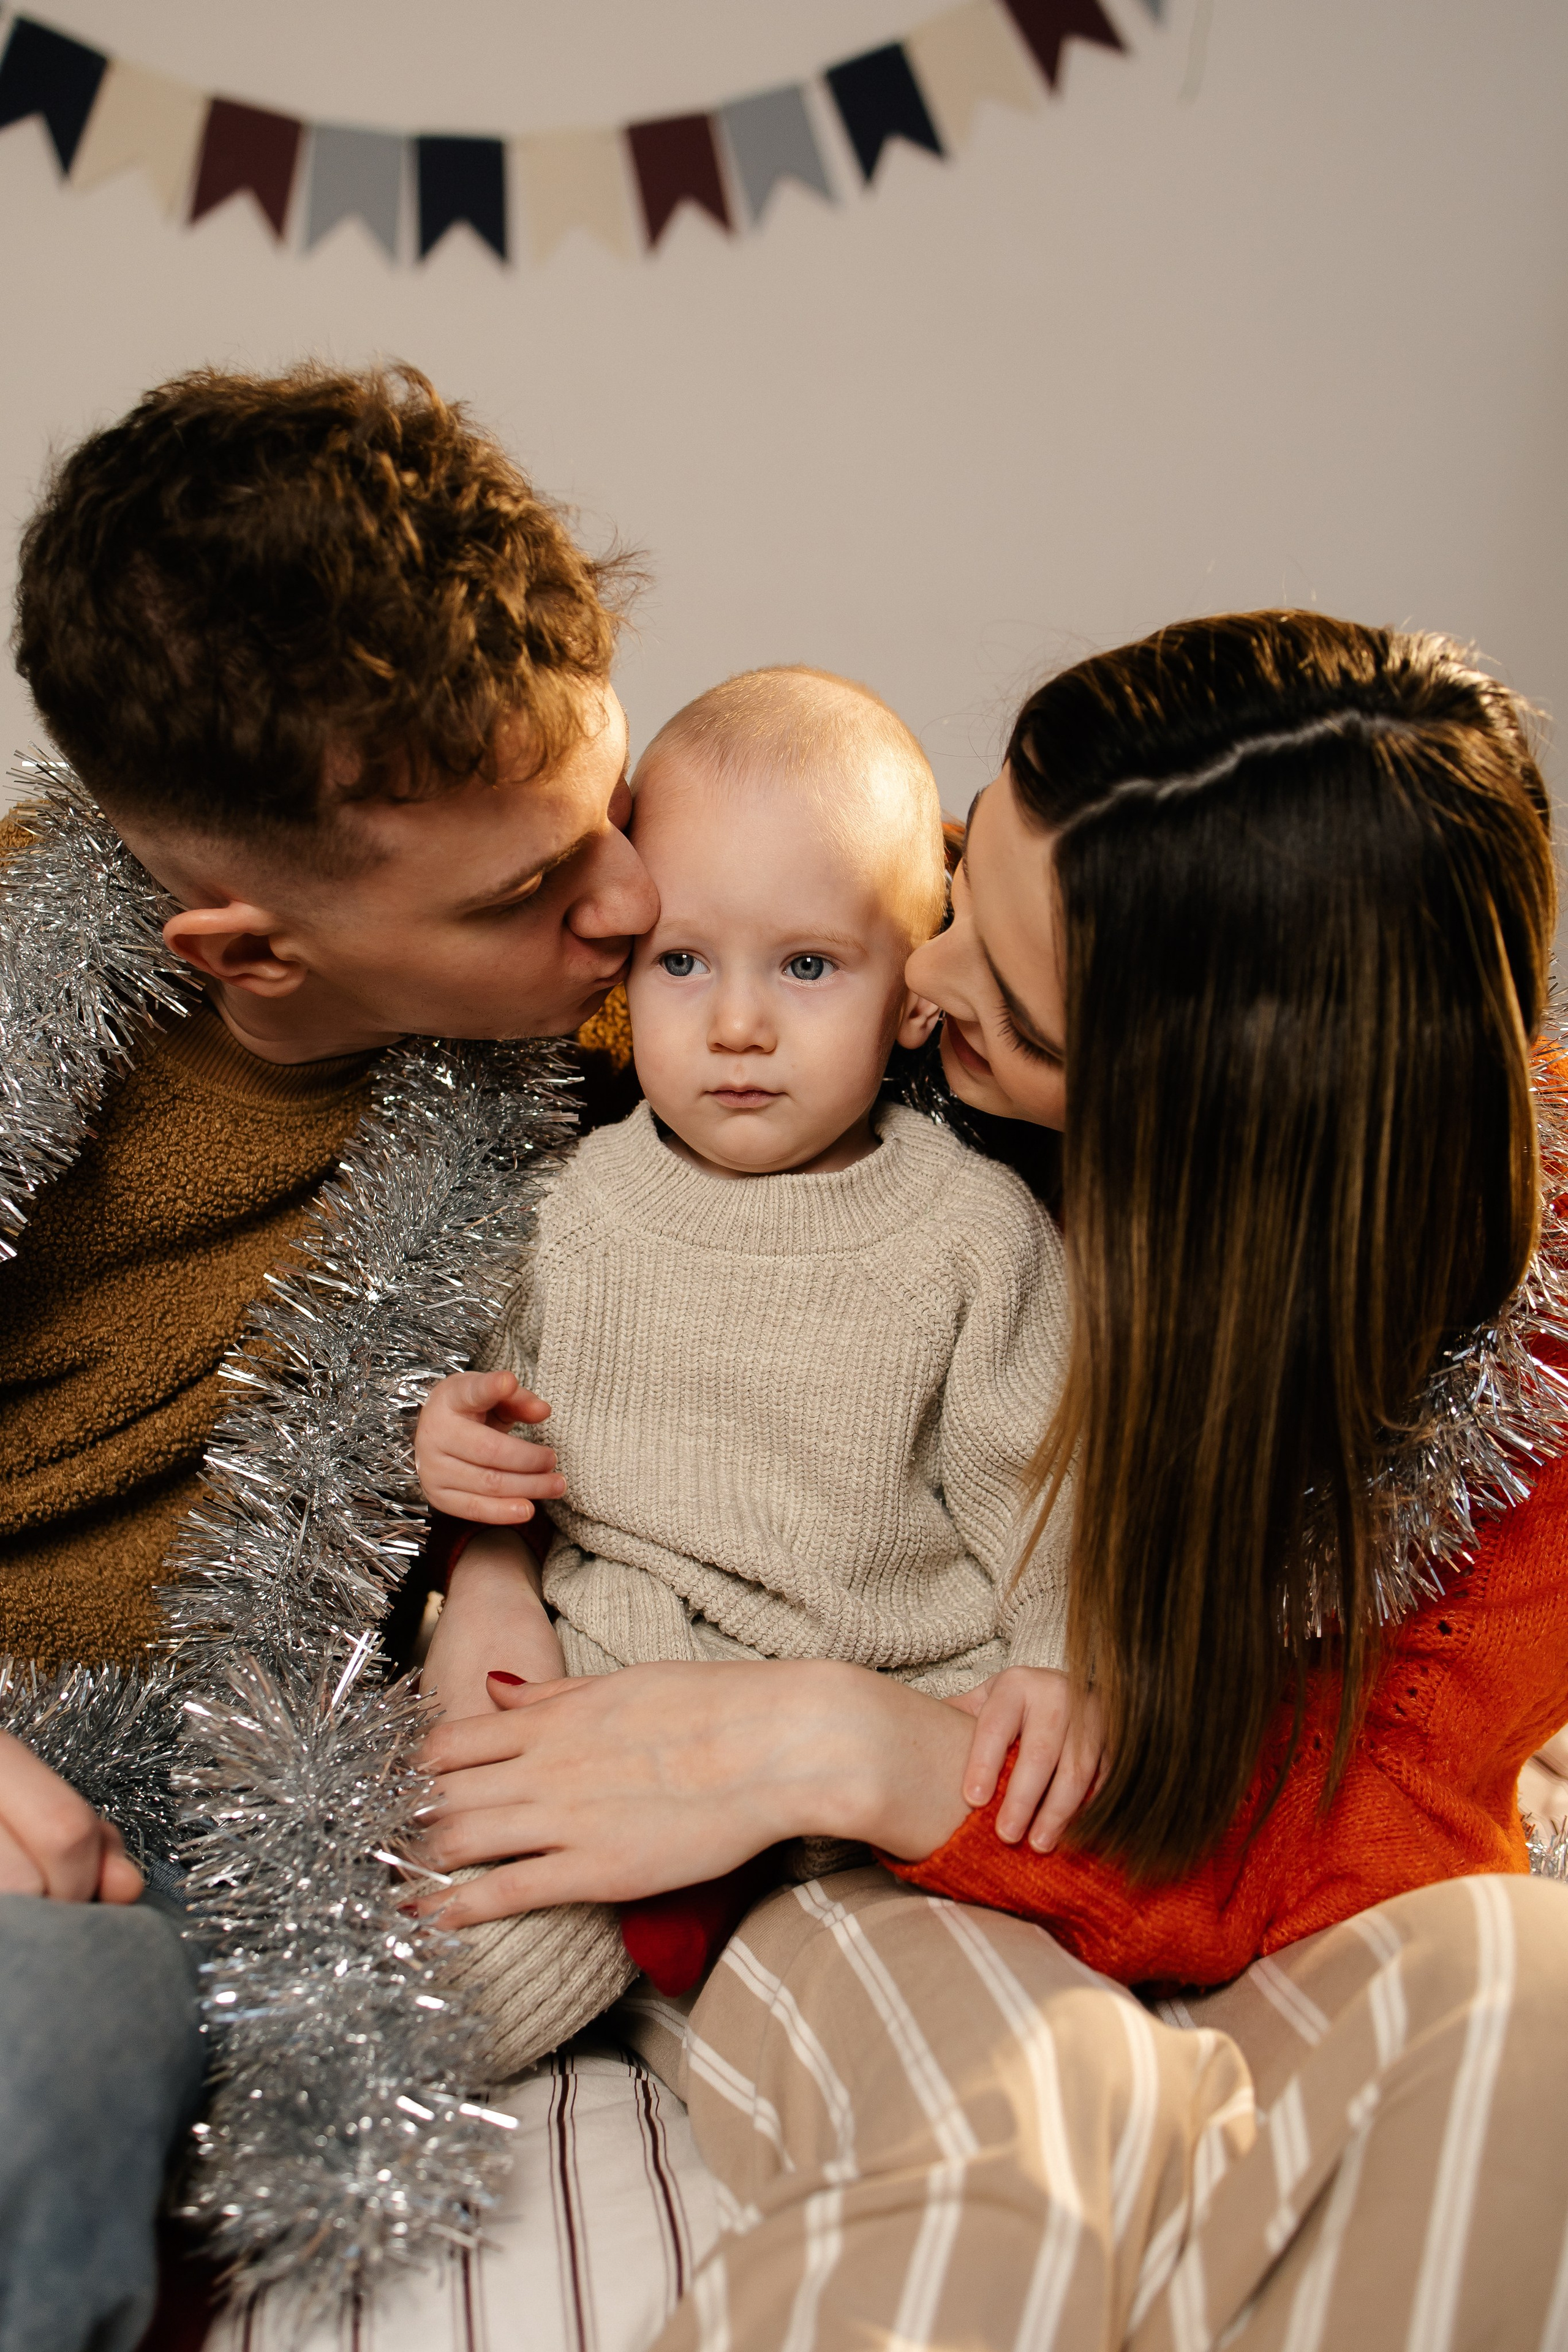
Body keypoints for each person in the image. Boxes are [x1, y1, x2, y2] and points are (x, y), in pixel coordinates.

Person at [418, 612, 1568, 2349]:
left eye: (1004, 998)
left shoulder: (1510, 1365)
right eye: (959, 876)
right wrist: (485, 1558)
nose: (921, 977)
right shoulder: (726, 1072)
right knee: (1034, 2112)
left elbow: (1367, 1844)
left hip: (1028, 1830)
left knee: (1532, 1990)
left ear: (1193, 1133)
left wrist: (875, 1747)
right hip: (843, 1925)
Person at [0, 362, 655, 2352]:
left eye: (607, 811)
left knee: (109, 2010)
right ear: (246, 950)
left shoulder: (658, 992)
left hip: (212, 1782)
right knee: (61, 2015)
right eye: (535, 891)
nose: (630, 902)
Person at [412, 668, 1096, 2059]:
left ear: (915, 989)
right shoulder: (568, 1206)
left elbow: (1046, 1484)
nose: (737, 1025)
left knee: (960, 2023)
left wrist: (1062, 1657)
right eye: (682, 962)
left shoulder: (970, 1232)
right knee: (442, 1986)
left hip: (872, 1714)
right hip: (611, 1693)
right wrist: (451, 1457)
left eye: (805, 966)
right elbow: (478, 1422)